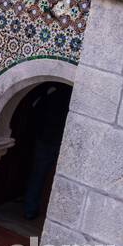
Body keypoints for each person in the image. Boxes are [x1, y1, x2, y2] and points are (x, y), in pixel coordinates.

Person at [22, 84, 71, 221]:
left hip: (47, 138)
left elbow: (35, 109)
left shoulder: (50, 92)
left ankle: (30, 210)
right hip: (59, 141)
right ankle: (58, 217)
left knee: (38, 174)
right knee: (61, 178)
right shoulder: (67, 93)